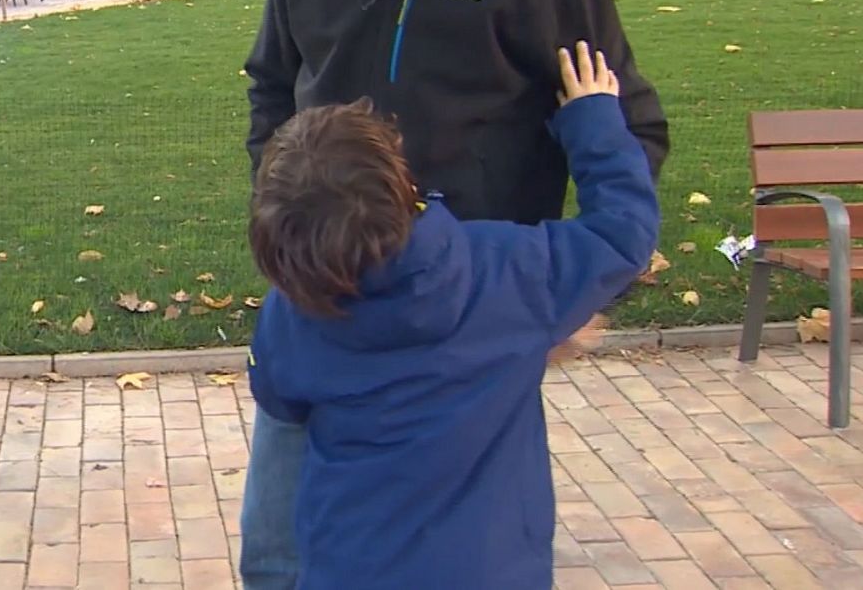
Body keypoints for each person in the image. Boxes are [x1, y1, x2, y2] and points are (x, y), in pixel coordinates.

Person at [237, 0, 670, 587]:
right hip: (331, 295)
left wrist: (580, 296)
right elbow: (273, 86)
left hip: (474, 310)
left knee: (467, 543)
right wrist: (289, 225)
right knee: (278, 553)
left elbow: (627, 124)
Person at [246, 43, 659, 589]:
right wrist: (593, 117)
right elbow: (623, 232)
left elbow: (282, 401)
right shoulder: (508, 273)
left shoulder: (292, 314)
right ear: (401, 180)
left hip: (348, 570)